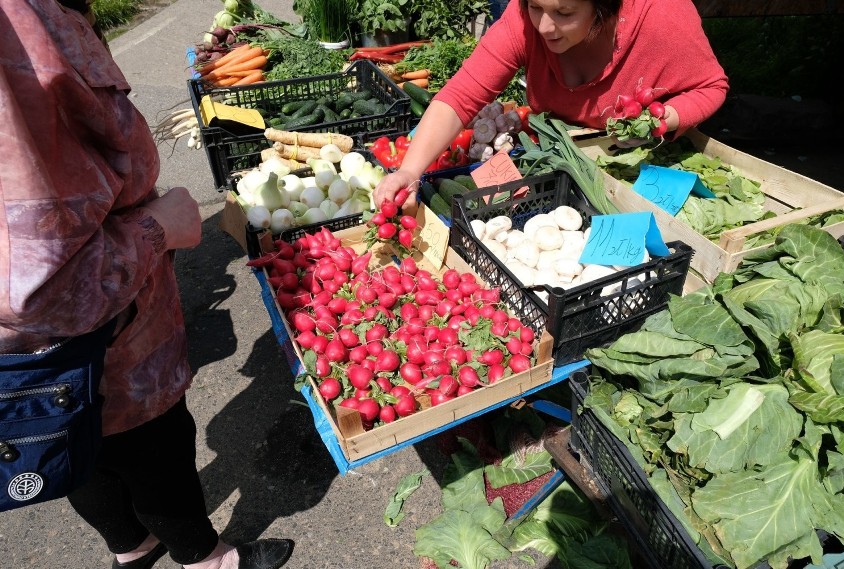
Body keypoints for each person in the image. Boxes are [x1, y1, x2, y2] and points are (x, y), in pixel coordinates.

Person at [0, 2, 293, 569]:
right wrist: (159, 228)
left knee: (65, 431)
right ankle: (206, 559)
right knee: (148, 443)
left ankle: (133, 547)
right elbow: (39, 290)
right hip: (102, 332)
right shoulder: (11, 37)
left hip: (38, 356)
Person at [374, 0, 728, 207]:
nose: (545, 25)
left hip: (646, 168)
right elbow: (462, 95)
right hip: (567, 161)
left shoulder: (662, 15)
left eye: (564, 12)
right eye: (535, 7)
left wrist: (663, 119)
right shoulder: (522, 22)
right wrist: (410, 170)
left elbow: (711, 86)